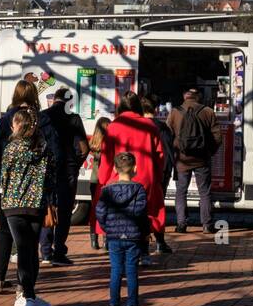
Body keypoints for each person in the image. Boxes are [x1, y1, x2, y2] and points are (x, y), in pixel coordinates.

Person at [0, 79, 62, 295]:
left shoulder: (5, 121)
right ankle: (25, 287)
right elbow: (55, 155)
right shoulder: (43, 120)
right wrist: (49, 189)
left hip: (6, 190)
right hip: (34, 194)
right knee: (29, 244)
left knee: (4, 233)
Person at [0, 107, 56, 306]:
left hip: (13, 204)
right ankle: (29, 294)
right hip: (35, 204)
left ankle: (26, 294)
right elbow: (51, 176)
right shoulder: (42, 149)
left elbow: (3, 175)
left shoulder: (11, 148)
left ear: (17, 125)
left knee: (23, 248)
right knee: (31, 249)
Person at [99, 92, 165, 261]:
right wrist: (157, 177)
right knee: (144, 216)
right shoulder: (150, 126)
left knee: (120, 215)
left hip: (119, 176)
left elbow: (106, 156)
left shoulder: (114, 126)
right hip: (145, 177)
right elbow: (159, 155)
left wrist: (104, 179)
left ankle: (118, 252)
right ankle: (143, 252)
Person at [96, 151, 148, 306]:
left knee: (116, 270)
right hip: (132, 236)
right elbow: (140, 212)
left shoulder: (107, 191)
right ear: (135, 168)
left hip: (114, 236)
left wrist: (108, 227)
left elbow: (100, 212)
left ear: (115, 169)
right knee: (132, 270)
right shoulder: (139, 189)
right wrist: (142, 232)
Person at [41, 87, 87, 267]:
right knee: (65, 212)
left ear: (55, 99)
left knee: (48, 208)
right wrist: (75, 165)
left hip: (48, 170)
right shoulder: (74, 119)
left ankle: (45, 252)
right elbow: (84, 148)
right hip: (67, 171)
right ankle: (59, 251)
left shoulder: (43, 116)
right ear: (69, 102)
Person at [165, 87, 218, 233]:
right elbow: (217, 136)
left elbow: (168, 135)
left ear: (184, 97)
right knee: (204, 192)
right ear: (198, 97)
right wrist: (210, 152)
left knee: (181, 191)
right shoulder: (208, 112)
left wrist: (175, 151)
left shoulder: (175, 112)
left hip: (182, 160)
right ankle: (207, 224)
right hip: (202, 158)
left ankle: (181, 224)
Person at [142, 95, 175, 257]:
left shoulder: (137, 126)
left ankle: (143, 243)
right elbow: (168, 153)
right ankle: (160, 242)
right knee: (157, 209)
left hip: (139, 175)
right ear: (155, 110)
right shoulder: (161, 128)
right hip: (158, 175)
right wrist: (166, 173)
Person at [87, 117, 112, 250]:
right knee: (106, 211)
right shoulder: (107, 144)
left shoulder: (93, 143)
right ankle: (105, 240)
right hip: (104, 181)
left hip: (94, 180)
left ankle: (93, 239)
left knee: (94, 210)